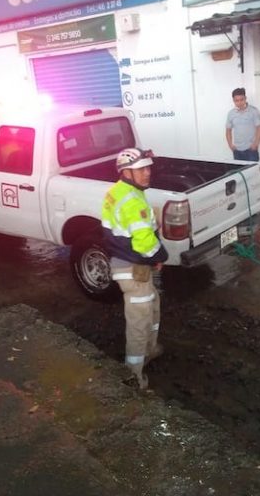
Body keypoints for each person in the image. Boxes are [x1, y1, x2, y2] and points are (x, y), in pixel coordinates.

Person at [101, 148, 169, 390]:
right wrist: (161, 255)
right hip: (132, 268)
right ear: (126, 172)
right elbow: (144, 243)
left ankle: (150, 350)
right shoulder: (131, 200)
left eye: (148, 168)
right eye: (141, 169)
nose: (147, 173)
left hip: (133, 263)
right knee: (139, 322)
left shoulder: (121, 191)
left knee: (153, 304)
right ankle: (134, 376)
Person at [225, 87, 260, 161]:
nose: (239, 102)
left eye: (242, 99)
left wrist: (256, 144)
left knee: (253, 172)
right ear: (233, 100)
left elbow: (259, 128)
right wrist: (230, 145)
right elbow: (228, 130)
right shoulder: (231, 113)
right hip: (237, 150)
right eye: (237, 100)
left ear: (245, 98)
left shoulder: (253, 111)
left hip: (251, 150)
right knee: (240, 172)